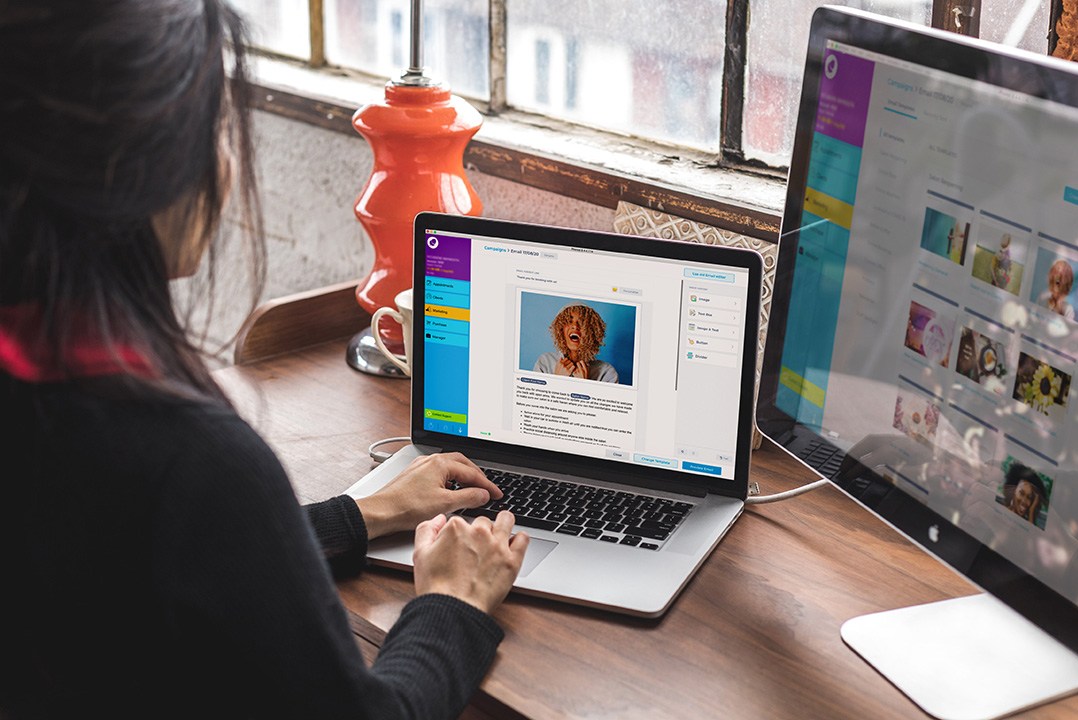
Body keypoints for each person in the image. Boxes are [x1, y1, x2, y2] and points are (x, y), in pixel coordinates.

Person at [0, 2, 527, 718]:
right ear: (138, 172)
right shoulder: (192, 462)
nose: (224, 159)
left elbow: (146, 551)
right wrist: (452, 604)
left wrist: (357, 514)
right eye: (216, 128)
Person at [533, 302, 619, 382]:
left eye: (582, 322)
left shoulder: (607, 373)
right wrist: (557, 380)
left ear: (592, 331)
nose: (575, 326)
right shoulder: (545, 362)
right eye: (569, 321)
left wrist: (585, 385)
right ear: (560, 330)